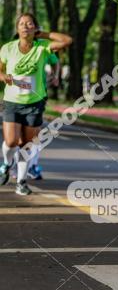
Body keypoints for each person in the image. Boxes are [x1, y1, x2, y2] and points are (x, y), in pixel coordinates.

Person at [0, 13, 72, 195]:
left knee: (26, 144)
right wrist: (3, 76)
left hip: (34, 103)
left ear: (35, 28)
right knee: (11, 141)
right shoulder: (7, 49)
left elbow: (67, 40)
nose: (25, 26)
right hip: (12, 101)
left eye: (30, 24)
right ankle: (6, 165)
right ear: (17, 29)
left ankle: (22, 182)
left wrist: (44, 34)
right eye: (22, 24)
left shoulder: (43, 48)